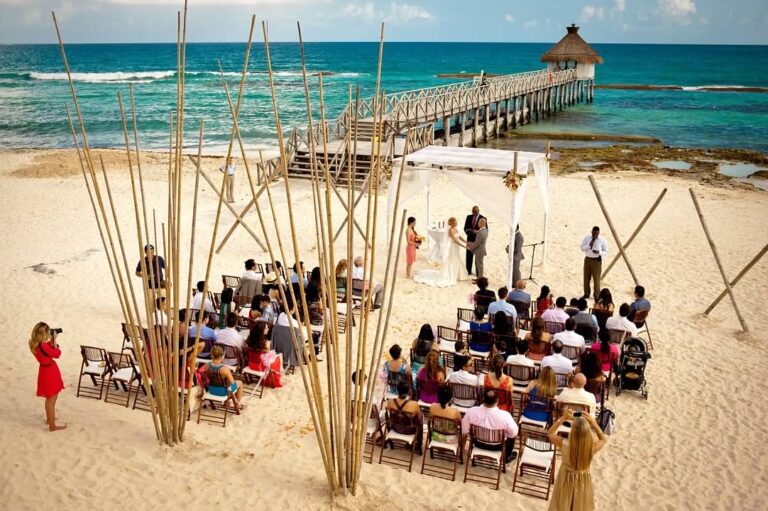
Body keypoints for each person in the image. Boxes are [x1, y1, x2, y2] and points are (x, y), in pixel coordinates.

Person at [547, 409, 607, 511]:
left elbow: (550, 433)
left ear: (572, 432)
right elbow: (603, 439)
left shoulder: (564, 444)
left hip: (566, 479)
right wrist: (593, 423)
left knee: (562, 504)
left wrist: (562, 419)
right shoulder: (591, 448)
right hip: (583, 481)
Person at [462, 388, 519, 463]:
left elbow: (464, 430)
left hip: (478, 443)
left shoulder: (472, 411)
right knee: (512, 433)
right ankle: (507, 456)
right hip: (498, 446)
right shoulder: (505, 415)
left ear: (483, 399)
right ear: (497, 401)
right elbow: (514, 433)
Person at [30, 322, 66, 432]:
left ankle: (50, 419)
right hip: (49, 372)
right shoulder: (43, 345)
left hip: (45, 370)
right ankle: (52, 426)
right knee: (51, 398)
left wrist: (52, 341)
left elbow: (46, 350)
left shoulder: (33, 343)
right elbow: (57, 353)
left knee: (53, 396)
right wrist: (54, 342)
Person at [414, 217, 468, 287]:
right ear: (451, 223)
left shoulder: (456, 229)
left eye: (456, 222)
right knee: (452, 260)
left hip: (456, 248)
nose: (456, 223)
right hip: (453, 247)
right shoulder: (450, 230)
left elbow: (459, 237)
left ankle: (458, 275)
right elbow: (455, 240)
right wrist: (464, 246)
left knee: (457, 259)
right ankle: (451, 275)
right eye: (455, 222)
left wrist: (466, 242)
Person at [386, 380, 424, 452]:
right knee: (420, 416)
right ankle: (419, 444)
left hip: (395, 428)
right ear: (409, 391)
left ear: (397, 389)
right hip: (409, 430)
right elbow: (419, 419)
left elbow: (387, 412)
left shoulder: (390, 402)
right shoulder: (414, 404)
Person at [246, 321, 282, 388]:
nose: (268, 329)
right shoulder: (262, 343)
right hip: (259, 367)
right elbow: (267, 353)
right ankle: (272, 379)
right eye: (266, 328)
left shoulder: (250, 339)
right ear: (261, 330)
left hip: (251, 364)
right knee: (278, 358)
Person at [580, 226, 608, 301]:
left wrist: (599, 252)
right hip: (587, 260)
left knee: (596, 279)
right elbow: (582, 248)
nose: (595, 235)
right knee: (586, 277)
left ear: (598, 233)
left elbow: (606, 252)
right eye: (594, 233)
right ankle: (586, 293)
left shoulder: (602, 240)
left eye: (596, 234)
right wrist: (589, 245)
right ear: (591, 232)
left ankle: (596, 295)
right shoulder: (587, 238)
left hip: (596, 261)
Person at [463, 205, 486, 275]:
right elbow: (465, 228)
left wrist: (477, 232)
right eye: (473, 212)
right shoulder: (468, 217)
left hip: (478, 240)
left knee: (477, 257)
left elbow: (485, 230)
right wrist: (468, 232)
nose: (474, 213)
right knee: (469, 256)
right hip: (469, 238)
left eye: (475, 212)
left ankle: (478, 273)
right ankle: (468, 271)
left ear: (478, 211)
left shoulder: (483, 218)